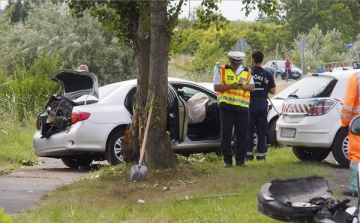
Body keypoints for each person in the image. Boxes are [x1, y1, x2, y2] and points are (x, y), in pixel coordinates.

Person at [213, 51, 255, 167]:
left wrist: (243, 87)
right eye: (234, 63)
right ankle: (227, 160)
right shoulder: (221, 70)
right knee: (226, 134)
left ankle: (240, 160)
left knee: (242, 135)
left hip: (242, 107)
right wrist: (231, 86)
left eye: (238, 63)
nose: (236, 65)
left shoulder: (247, 71)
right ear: (230, 60)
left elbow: (252, 87)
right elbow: (216, 87)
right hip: (226, 107)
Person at [246, 50, 276, 161]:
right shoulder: (267, 74)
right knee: (262, 130)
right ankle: (261, 154)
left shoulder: (247, 73)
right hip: (262, 104)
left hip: (250, 102)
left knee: (249, 129)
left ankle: (248, 154)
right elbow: (273, 91)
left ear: (253, 59)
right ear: (261, 60)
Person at [340, 73, 360, 197]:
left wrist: (345, 123)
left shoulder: (356, 78)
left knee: (357, 155)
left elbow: (348, 102)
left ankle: (355, 188)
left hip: (358, 124)